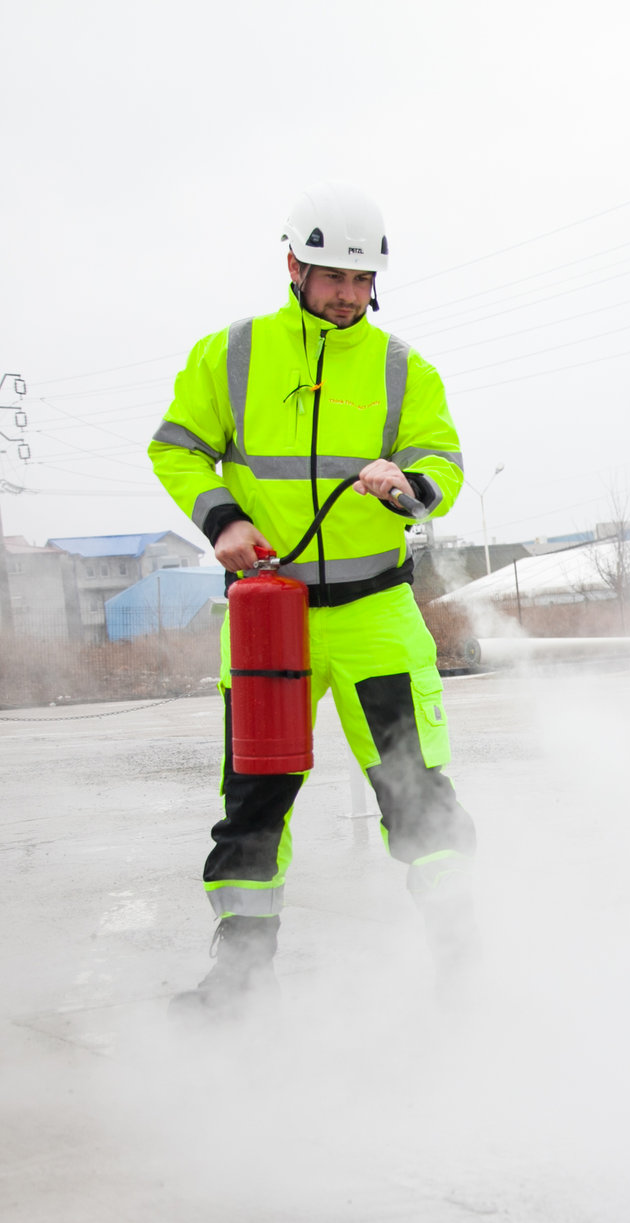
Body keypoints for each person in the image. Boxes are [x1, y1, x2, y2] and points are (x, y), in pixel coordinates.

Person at [149, 182, 476, 1017]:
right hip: (270, 618)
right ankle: (241, 980)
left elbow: (441, 462)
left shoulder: (404, 368)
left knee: (417, 794)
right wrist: (220, 517)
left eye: (361, 281)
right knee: (254, 804)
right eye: (331, 275)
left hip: (376, 616)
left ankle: (464, 969)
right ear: (294, 264)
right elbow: (176, 447)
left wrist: (406, 484)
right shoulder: (231, 356)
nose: (346, 294)